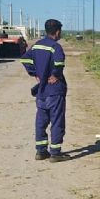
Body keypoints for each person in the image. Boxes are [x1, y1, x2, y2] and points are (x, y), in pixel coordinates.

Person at [20, 19, 70, 163]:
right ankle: (55, 153)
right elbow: (59, 63)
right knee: (57, 121)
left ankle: (41, 151)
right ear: (58, 31)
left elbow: (25, 59)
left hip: (41, 91)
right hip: (54, 91)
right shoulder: (55, 47)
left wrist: (35, 73)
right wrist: (55, 74)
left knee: (41, 121)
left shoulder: (37, 46)